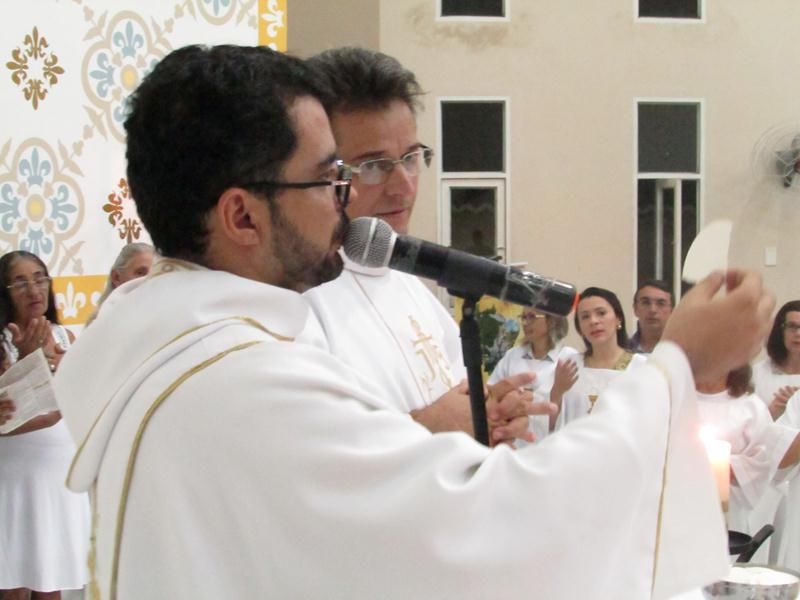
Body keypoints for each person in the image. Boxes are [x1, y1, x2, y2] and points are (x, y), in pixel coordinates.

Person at [55, 44, 776, 600]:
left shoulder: (175, 345)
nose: (348, 199)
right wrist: (679, 364)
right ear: (242, 216)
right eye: (332, 176)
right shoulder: (242, 382)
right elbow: (488, 529)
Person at [302, 47, 527, 443]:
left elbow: (461, 405)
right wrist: (424, 426)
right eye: (373, 166)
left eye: (410, 158)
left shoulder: (409, 282)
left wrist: (493, 417)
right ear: (323, 172)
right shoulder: (296, 300)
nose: (404, 186)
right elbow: (302, 453)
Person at [0, 251, 89, 600]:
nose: (34, 290)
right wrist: (27, 359)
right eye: (20, 282)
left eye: (40, 278)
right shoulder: (4, 342)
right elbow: (12, 416)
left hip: (56, 474)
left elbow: (80, 404)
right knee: (12, 583)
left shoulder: (65, 337)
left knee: (51, 580)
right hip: (13, 476)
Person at [696, 364, 800, 539]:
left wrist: (723, 466)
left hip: (731, 508)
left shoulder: (750, 407)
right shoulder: (674, 398)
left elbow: (765, 462)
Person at [552, 287, 648, 429]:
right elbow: (549, 425)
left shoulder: (641, 367)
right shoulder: (570, 365)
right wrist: (557, 391)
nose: (593, 321)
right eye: (585, 317)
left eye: (601, 313)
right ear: (580, 328)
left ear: (618, 318)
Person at [488, 308, 577, 444]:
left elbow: (573, 413)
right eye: (523, 317)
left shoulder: (568, 357)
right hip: (511, 443)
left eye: (531, 317)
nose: (525, 323)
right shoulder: (513, 355)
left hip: (552, 444)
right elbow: (491, 394)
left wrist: (557, 392)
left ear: (552, 320)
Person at [753, 300, 800, 420]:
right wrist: (770, 413)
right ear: (780, 331)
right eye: (792, 326)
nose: (798, 333)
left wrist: (795, 407)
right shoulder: (757, 374)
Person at [86, 242, 154, 325]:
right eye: (140, 273)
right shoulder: (102, 326)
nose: (150, 279)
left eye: (155, 272)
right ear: (116, 277)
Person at [630, 279, 674, 353]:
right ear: (635, 309)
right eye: (645, 302)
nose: (652, 310)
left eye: (661, 303)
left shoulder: (685, 353)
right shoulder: (620, 352)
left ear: (672, 310)